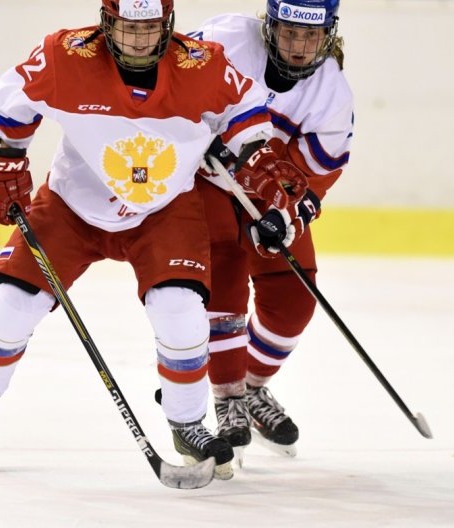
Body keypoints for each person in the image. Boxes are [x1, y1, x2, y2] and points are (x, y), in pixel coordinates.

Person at [0, 0, 308, 481]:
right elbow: (10, 99)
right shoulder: (65, 55)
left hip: (164, 211)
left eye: (150, 28)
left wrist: (254, 160)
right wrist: (5, 156)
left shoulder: (202, 65)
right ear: (106, 22)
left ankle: (187, 423)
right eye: (128, 27)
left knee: (180, 313)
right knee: (13, 304)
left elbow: (247, 114)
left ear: (168, 25)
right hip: (72, 205)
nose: (139, 39)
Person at [189, 0, 354, 457]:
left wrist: (286, 213)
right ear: (270, 26)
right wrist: (194, 140)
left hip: (268, 194)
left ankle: (253, 386)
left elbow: (315, 176)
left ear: (328, 34)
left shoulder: (331, 94)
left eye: (310, 36)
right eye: (289, 33)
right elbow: (177, 90)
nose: (299, 47)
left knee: (294, 301)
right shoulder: (226, 40)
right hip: (206, 185)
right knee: (224, 278)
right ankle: (227, 397)